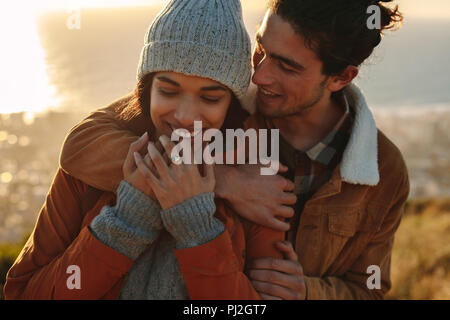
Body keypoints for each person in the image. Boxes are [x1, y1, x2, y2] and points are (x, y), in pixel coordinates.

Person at [14, 0, 409, 300]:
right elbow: (83, 141)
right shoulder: (216, 87)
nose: (259, 74)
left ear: (341, 77)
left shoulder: (380, 170)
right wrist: (219, 180)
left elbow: (367, 289)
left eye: (286, 67)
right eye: (260, 49)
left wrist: (306, 291)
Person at [3, 0, 289, 300]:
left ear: (232, 103)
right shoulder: (90, 170)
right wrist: (127, 221)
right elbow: (22, 294)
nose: (185, 117)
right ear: (146, 90)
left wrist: (198, 230)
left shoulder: (258, 184)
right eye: (168, 91)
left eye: (210, 98)